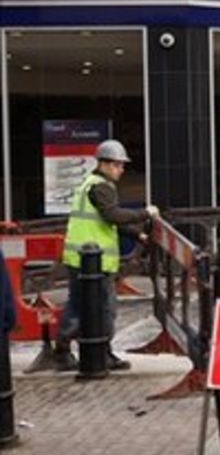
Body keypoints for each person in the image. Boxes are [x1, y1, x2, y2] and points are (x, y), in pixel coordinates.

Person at [54, 139, 159, 372]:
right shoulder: (101, 187)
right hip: (92, 261)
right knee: (103, 308)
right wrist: (145, 213)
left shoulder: (91, 184)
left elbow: (105, 221)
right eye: (119, 165)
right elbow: (112, 215)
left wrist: (136, 235)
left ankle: (68, 351)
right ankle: (94, 354)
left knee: (79, 306)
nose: (121, 170)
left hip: (81, 258)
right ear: (105, 164)